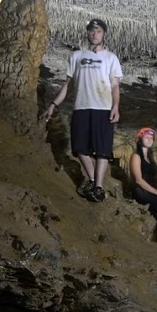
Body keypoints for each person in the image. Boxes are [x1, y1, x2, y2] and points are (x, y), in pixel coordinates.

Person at [40, 18, 123, 203]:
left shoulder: (111, 58)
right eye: (92, 31)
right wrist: (53, 105)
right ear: (88, 33)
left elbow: (115, 85)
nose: (95, 34)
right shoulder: (76, 56)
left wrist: (116, 106)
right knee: (79, 148)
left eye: (99, 31)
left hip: (103, 107)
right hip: (82, 107)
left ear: (104, 34)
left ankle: (98, 188)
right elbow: (68, 85)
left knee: (102, 150)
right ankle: (94, 181)